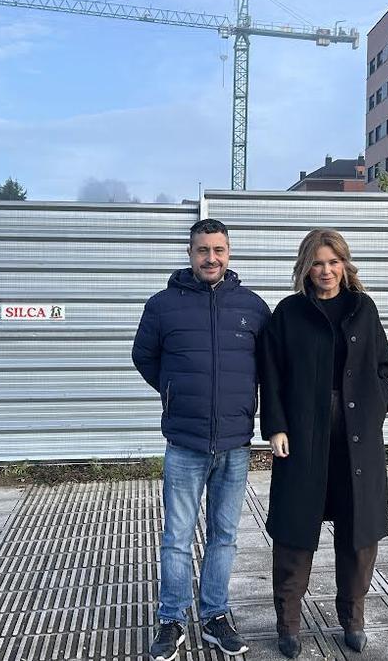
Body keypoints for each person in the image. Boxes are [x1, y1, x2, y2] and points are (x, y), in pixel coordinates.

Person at [132, 218, 271, 661]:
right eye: (202, 250)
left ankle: (215, 616)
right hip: (185, 443)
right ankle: (171, 619)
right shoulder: (162, 306)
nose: (211, 258)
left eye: (218, 250)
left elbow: (267, 367)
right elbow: (144, 357)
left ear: (229, 252)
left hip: (235, 443)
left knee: (224, 535)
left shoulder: (252, 307)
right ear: (190, 254)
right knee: (177, 536)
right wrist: (175, 391)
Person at [258, 228, 388, 658]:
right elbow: (271, 374)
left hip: (357, 439)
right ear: (305, 267)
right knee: (295, 531)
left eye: (333, 262)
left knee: (359, 533)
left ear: (345, 264)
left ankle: (353, 618)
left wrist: (377, 407)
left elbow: (384, 366)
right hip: (303, 436)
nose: (326, 271)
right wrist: (276, 426)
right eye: (317, 263)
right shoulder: (289, 313)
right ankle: (288, 624)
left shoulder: (363, 308)